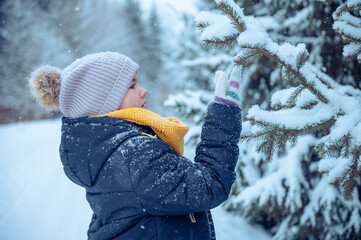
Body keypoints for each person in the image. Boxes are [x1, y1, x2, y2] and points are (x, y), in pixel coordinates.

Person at [29, 52, 242, 240]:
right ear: (104, 103)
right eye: (132, 86)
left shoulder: (104, 151)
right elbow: (209, 185)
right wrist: (223, 116)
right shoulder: (135, 155)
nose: (143, 91)